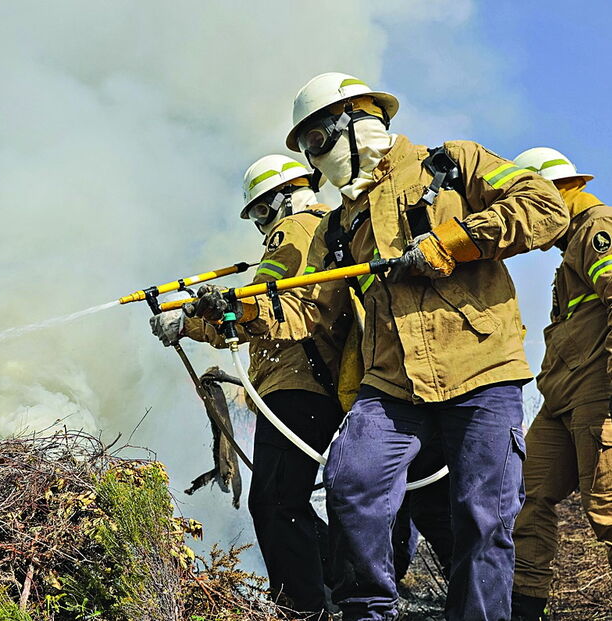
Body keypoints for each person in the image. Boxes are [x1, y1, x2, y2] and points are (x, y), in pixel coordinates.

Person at [186, 72, 569, 620]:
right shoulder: (336, 227)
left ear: (357, 121)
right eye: (308, 150)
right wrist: (239, 312)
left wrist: (454, 241)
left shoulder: (453, 163)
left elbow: (544, 206)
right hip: (392, 383)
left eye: (317, 140)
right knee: (352, 481)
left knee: (483, 518)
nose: (316, 160)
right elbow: (308, 311)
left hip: (481, 370)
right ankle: (368, 612)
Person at [150, 154, 350, 613]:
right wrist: (189, 324)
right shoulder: (325, 229)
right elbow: (248, 320)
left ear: (287, 196)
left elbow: (260, 311)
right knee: (286, 499)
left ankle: (306, 610)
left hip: (299, 381)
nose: (262, 225)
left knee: (276, 502)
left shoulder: (295, 227)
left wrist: (187, 319)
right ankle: (343, 590)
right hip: (307, 379)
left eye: (262, 210)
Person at [509, 147, 612, 621]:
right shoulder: (573, 244)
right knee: (525, 496)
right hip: (560, 399)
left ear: (555, 193)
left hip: (597, 394)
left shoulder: (597, 229)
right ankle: (523, 606)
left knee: (607, 509)